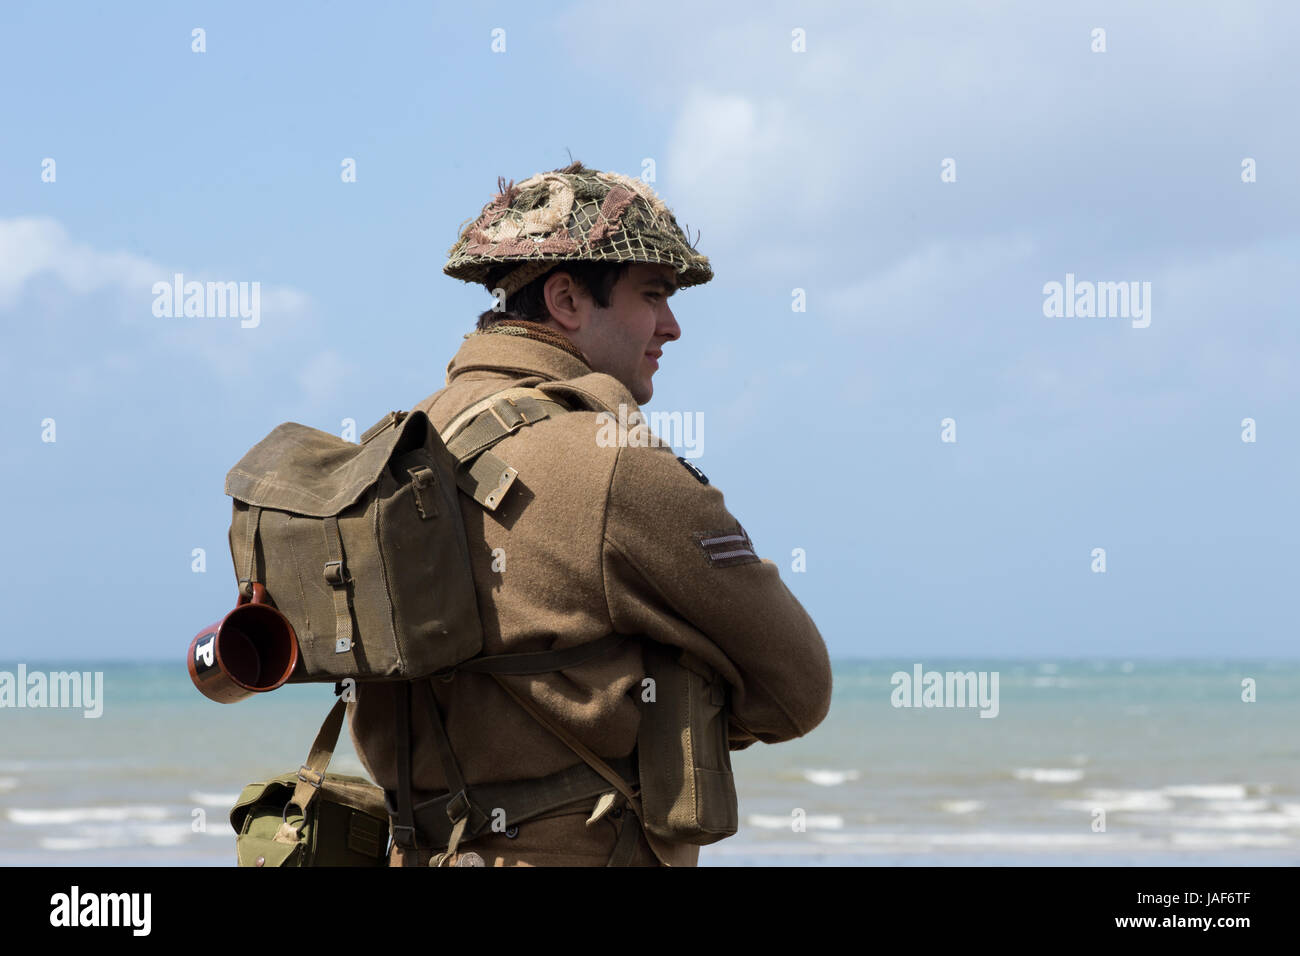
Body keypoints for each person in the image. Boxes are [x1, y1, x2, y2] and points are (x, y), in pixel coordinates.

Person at [346, 161, 832, 866]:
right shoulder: (614, 458)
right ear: (567, 299)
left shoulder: (390, 448)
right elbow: (797, 688)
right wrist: (659, 704)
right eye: (654, 295)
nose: (671, 327)